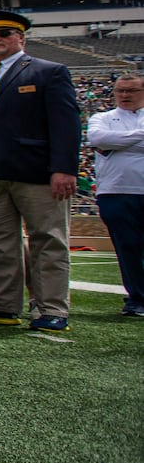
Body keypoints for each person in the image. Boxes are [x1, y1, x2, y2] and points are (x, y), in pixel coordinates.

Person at [0, 11, 81, 333]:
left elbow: (66, 125)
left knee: (47, 239)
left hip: (35, 171)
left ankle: (51, 308)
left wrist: (63, 168)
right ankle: (2, 304)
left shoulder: (48, 72)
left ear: (21, 37)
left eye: (5, 33)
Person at [87, 73, 144, 317]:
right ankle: (137, 298)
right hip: (115, 191)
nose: (124, 95)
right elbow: (97, 138)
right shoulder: (102, 117)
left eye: (131, 90)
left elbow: (108, 142)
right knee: (127, 247)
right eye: (120, 90)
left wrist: (118, 143)